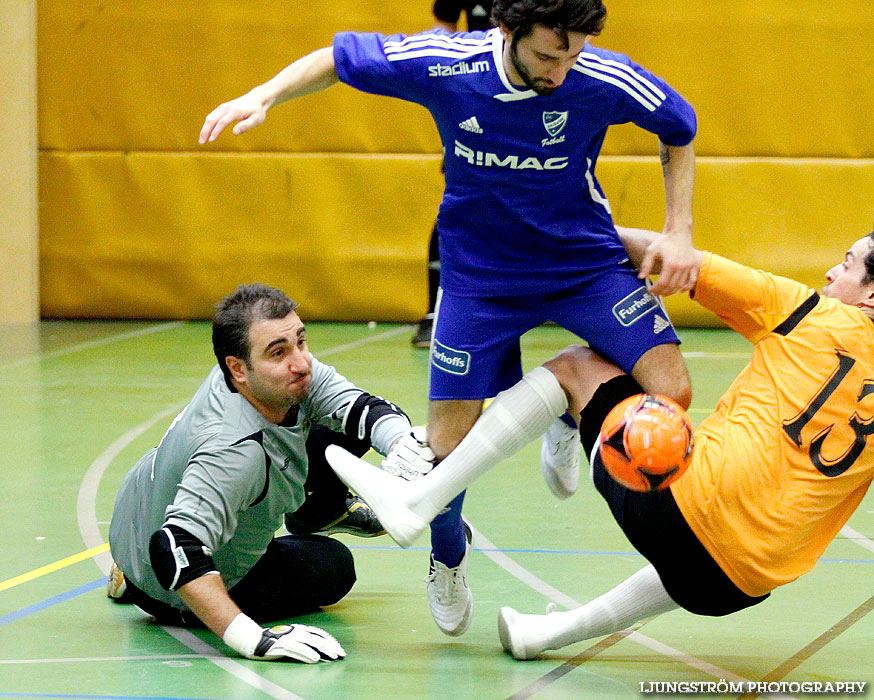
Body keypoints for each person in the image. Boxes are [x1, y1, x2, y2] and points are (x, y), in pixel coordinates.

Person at [199, 0, 699, 638]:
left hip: (582, 261)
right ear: (507, 32)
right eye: (549, 53)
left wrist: (678, 231)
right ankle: (448, 557)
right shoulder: (446, 65)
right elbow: (335, 59)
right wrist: (265, 95)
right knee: (445, 448)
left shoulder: (601, 77)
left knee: (671, 391)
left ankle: (568, 415)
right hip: (479, 280)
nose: (562, 68)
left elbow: (679, 125)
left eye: (573, 52)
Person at [326, 225, 874, 659]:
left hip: (672, 512)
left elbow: (666, 256)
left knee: (577, 366)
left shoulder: (810, 315)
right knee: (731, 539)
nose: (831, 269)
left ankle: (421, 498)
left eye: (847, 264)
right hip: (736, 590)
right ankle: (545, 634)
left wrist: (571, 230)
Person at [106, 283, 417, 663]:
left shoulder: (254, 372)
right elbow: (174, 549)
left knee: (341, 427)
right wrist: (252, 639)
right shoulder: (233, 454)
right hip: (168, 586)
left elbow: (362, 408)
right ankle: (146, 589)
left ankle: (320, 510)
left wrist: (407, 447)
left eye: (300, 341)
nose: (301, 363)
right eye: (279, 352)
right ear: (238, 368)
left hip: (135, 518)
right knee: (334, 565)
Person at [412, 0, 495, 348]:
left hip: (534, 101)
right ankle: (435, 313)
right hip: (478, 103)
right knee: (460, 206)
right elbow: (442, 20)